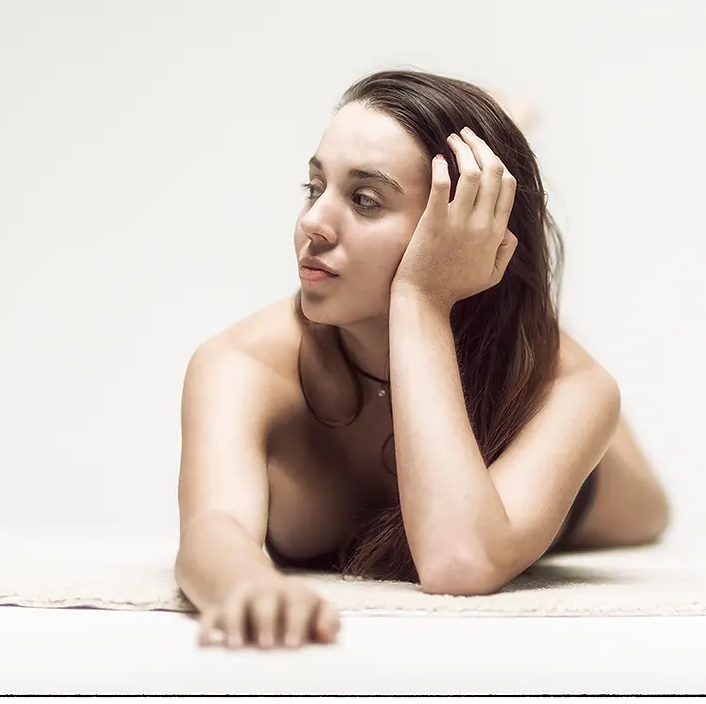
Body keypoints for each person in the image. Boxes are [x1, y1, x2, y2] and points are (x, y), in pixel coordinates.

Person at [175, 69, 670, 651]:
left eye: (365, 200)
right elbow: (213, 529)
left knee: (647, 508)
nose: (312, 223)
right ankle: (492, 140)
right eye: (315, 187)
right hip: (472, 330)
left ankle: (499, 169)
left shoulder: (567, 386)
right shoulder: (242, 363)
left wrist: (422, 298)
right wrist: (246, 585)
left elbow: (460, 561)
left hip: (550, 438)